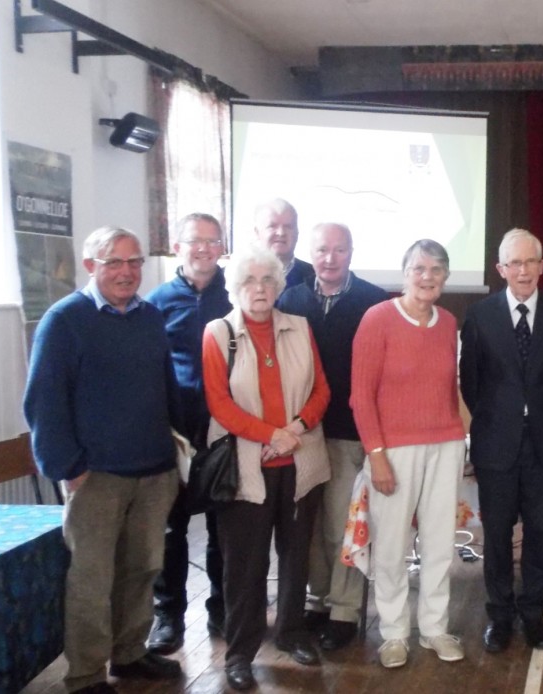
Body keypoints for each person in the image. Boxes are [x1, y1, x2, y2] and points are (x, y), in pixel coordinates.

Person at [24, 226, 183, 694]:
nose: (126, 272)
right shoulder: (64, 320)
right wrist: (66, 467)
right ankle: (87, 674)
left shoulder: (151, 317)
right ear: (90, 266)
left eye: (134, 262)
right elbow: (43, 403)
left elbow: (166, 388)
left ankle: (130, 653)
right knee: (92, 581)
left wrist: (178, 450)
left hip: (154, 471)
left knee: (142, 570)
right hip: (96, 476)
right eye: (114, 262)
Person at [202, 246, 331, 691]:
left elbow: (321, 389)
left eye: (267, 281)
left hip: (301, 460)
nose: (259, 289)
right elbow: (219, 402)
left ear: (278, 286)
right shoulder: (218, 333)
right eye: (249, 282)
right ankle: (240, 653)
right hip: (247, 467)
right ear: (235, 289)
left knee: (297, 558)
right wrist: (270, 434)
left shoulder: (301, 327)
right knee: (245, 566)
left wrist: (296, 427)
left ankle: (293, 633)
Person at [460, 229, 543, 653]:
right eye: (514, 263)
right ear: (500, 270)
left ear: (542, 266)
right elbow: (470, 383)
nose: (523, 270)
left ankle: (533, 613)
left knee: (540, 530)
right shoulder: (479, 316)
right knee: (495, 533)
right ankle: (499, 615)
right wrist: (500, 418)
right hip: (495, 442)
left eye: (531, 262)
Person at [350, 239, 467, 668]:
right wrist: (377, 455)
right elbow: (361, 396)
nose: (427, 277)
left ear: (446, 278)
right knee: (391, 545)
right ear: (404, 273)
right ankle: (395, 633)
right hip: (393, 450)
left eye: (436, 270)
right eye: (419, 268)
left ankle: (435, 628)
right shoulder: (377, 318)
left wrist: (460, 439)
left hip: (446, 445)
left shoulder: (449, 321)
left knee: (439, 544)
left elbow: (450, 389)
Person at [277, 222, 389, 651]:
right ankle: (317, 601)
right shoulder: (292, 299)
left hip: (347, 432)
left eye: (338, 250)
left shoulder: (373, 302)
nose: (329, 258)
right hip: (300, 432)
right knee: (306, 527)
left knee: (341, 525)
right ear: (311, 251)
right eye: (322, 250)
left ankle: (344, 609)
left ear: (352, 253)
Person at [145, 213, 231, 653]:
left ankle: (222, 609)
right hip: (174, 436)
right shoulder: (155, 302)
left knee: (223, 529)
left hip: (224, 433)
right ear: (177, 247)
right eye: (194, 241)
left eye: (212, 241)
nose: (203, 249)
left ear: (222, 248)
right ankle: (168, 617)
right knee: (170, 531)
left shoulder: (236, 296)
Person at [253, 198, 314, 288]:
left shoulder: (316, 278)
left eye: (288, 226)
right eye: (272, 226)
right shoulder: (233, 277)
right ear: (257, 232)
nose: (281, 233)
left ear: (297, 233)